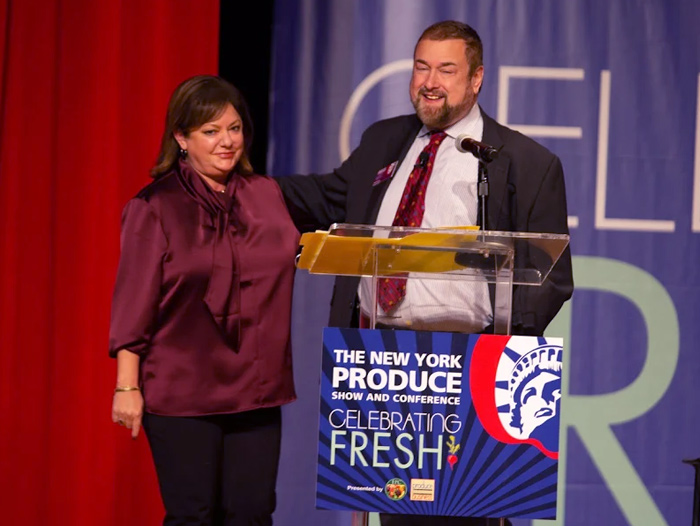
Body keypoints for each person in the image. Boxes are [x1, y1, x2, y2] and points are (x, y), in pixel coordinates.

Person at [276, 20, 573, 526]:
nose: (429, 82)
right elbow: (328, 198)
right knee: (394, 512)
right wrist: (243, 185)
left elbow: (552, 277)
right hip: (381, 361)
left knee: (463, 518)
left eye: (446, 70)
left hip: (470, 365)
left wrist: (498, 358)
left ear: (476, 79)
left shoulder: (524, 161)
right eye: (421, 67)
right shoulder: (384, 139)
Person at [109, 75, 299, 526]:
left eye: (234, 128)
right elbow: (134, 301)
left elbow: (299, 248)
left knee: (252, 514)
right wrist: (127, 387)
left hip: (256, 387)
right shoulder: (154, 207)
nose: (227, 142)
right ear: (181, 138)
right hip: (183, 390)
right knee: (193, 515)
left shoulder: (266, 195)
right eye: (211, 131)